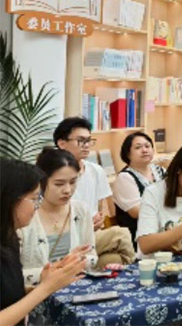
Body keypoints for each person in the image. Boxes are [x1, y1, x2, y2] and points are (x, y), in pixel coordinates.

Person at [1, 159, 86, 326]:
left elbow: (9, 294)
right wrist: (45, 288)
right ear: (10, 200)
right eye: (34, 199)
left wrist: (51, 282)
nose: (37, 206)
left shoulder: (9, 239)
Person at [54, 117, 135, 266]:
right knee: (121, 234)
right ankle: (136, 271)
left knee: (114, 259)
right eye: (81, 141)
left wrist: (98, 221)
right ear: (62, 143)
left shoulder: (96, 170)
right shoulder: (53, 174)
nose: (86, 145)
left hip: (92, 235)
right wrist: (86, 225)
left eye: (89, 141)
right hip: (68, 237)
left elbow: (100, 207)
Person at [19, 148, 97, 287]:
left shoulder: (80, 210)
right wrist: (59, 268)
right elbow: (11, 277)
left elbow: (92, 257)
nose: (68, 190)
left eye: (73, 182)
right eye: (59, 184)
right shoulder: (26, 215)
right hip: (35, 292)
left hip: (76, 287)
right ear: (42, 183)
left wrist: (80, 260)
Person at [112, 132, 165, 244]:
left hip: (163, 229)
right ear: (128, 154)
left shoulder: (160, 171)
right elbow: (137, 212)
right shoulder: (125, 178)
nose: (144, 150)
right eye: (138, 147)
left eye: (147, 146)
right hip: (139, 237)